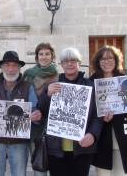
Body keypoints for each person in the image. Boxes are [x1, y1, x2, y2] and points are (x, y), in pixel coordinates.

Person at [0, 50, 42, 176]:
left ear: (19, 68)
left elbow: (34, 109)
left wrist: (36, 116)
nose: (11, 69)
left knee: (19, 174)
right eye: (7, 65)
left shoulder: (28, 87)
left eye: (14, 65)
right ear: (2, 67)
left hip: (19, 142)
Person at [38, 47, 103, 176]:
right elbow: (42, 112)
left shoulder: (90, 86)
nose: (69, 64)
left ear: (79, 63)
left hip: (82, 148)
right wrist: (47, 94)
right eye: (65, 61)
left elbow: (97, 116)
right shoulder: (53, 85)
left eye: (73, 60)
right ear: (61, 64)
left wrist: (93, 134)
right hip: (56, 149)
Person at [90, 45, 127, 176]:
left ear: (117, 60)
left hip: (125, 135)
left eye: (110, 58)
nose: (107, 61)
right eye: (103, 58)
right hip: (102, 138)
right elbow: (88, 112)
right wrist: (102, 118)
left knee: (126, 173)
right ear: (98, 62)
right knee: (103, 172)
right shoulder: (91, 82)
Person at [23, 43, 58, 176]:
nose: (44, 57)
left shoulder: (57, 75)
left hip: (51, 124)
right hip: (32, 125)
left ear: (52, 56)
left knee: (54, 164)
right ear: (37, 57)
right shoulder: (28, 74)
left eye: (47, 54)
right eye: (41, 54)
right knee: (38, 163)